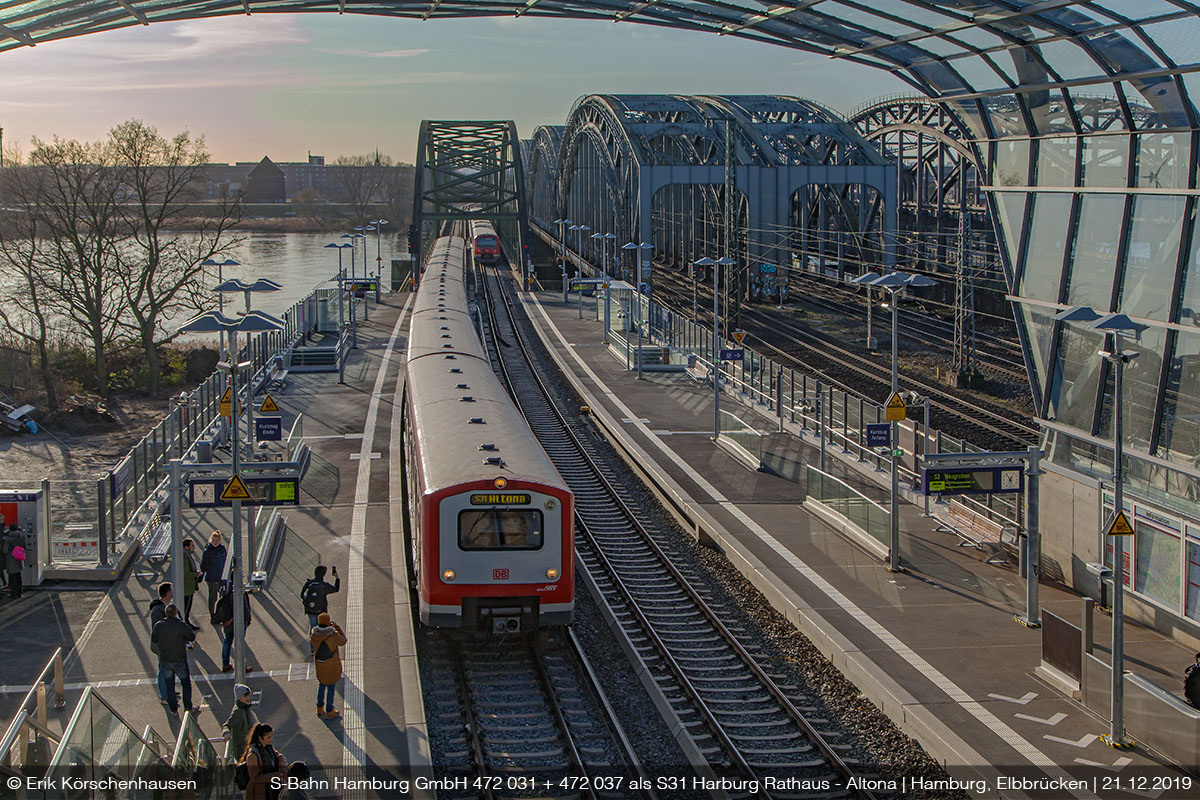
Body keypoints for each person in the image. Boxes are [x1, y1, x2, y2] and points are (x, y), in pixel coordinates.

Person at [150, 604, 199, 717]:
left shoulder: (159, 625)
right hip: (179, 658)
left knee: (170, 686)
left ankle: (173, 710)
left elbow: (154, 638)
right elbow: (191, 636)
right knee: (186, 684)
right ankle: (188, 708)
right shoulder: (180, 625)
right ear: (176, 613)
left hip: (165, 659)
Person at [310, 612, 346, 720]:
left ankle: (319, 708)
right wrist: (337, 628)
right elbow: (343, 641)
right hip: (331, 664)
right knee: (331, 687)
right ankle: (330, 710)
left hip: (320, 664)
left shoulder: (314, 635)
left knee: (322, 685)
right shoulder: (333, 635)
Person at [214, 585, 254, 674]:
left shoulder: (226, 592)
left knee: (227, 642)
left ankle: (225, 664)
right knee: (239, 643)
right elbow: (242, 609)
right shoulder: (239, 593)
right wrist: (247, 619)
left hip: (228, 623)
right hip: (238, 621)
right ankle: (241, 666)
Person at [243, 723, 286, 800]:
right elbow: (255, 778)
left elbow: (279, 756)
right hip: (260, 792)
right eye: (268, 737)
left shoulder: (269, 747)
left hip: (273, 788)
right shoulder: (253, 755)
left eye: (272, 736)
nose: (271, 739)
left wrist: (282, 764)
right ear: (260, 738)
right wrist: (276, 775)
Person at [148, 582, 174, 706]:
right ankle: (164, 695)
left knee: (168, 669)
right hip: (163, 645)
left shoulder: (166, 605)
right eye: (171, 590)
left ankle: (168, 691)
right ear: (167, 593)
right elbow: (158, 629)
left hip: (168, 644)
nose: (173, 592)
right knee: (163, 670)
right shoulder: (158, 610)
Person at [299, 565, 339, 632]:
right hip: (321, 610)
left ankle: (313, 638)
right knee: (321, 628)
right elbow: (336, 589)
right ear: (323, 574)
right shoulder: (324, 585)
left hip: (310, 609)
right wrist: (337, 578)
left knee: (313, 627)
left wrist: (308, 602)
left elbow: (302, 595)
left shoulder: (309, 583)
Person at [199, 531, 227, 623]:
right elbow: (204, 564)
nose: (215, 542)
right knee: (213, 597)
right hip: (212, 577)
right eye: (213, 540)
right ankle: (213, 615)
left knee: (222, 596)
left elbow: (225, 561)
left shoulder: (222, 549)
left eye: (217, 540)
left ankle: (219, 614)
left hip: (221, 576)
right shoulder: (208, 551)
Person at [223, 683, 257, 757]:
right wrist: (226, 733)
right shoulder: (238, 711)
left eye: (248, 695)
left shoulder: (246, 708)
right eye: (245, 696)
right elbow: (227, 724)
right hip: (242, 750)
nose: (248, 698)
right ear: (240, 697)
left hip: (249, 746)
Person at [181, 538, 201, 630]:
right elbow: (185, 573)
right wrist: (196, 574)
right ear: (187, 547)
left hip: (187, 587)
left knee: (186, 607)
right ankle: (185, 624)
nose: (194, 547)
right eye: (192, 545)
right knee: (186, 607)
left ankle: (185, 623)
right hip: (187, 587)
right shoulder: (185, 557)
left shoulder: (186, 555)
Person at [4, 524, 24, 599]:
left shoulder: (8, 538)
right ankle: (20, 593)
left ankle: (13, 593)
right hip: (18, 558)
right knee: (18, 577)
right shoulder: (21, 536)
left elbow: (5, 550)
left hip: (10, 559)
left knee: (12, 577)